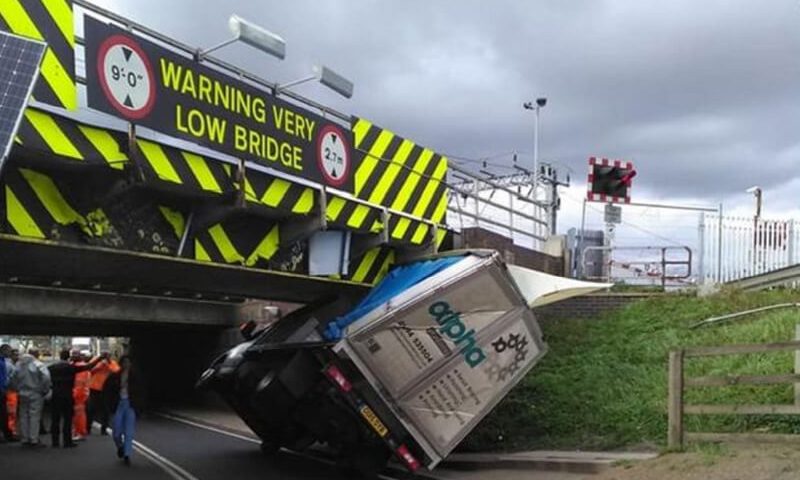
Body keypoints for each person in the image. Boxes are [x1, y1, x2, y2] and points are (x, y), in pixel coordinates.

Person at [48, 349, 102, 448]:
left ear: (60, 356)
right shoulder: (71, 368)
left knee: (55, 419)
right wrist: (100, 358)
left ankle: (55, 442)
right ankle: (67, 441)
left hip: (56, 395)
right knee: (68, 419)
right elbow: (88, 367)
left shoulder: (51, 368)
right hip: (68, 395)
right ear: (68, 356)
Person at [104, 355, 145, 466]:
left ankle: (127, 454)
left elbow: (141, 393)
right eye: (124, 362)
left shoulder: (136, 377)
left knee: (129, 431)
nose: (126, 365)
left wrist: (139, 407)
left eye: (128, 362)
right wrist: (109, 405)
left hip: (130, 405)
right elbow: (107, 390)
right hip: (119, 404)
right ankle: (120, 447)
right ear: (121, 364)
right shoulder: (115, 376)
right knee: (116, 432)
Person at [12, 349, 51, 447]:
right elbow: (46, 378)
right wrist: (44, 390)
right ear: (36, 354)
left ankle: (25, 439)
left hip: (22, 393)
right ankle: (34, 439)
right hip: (36, 393)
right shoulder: (38, 364)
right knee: (34, 416)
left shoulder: (18, 365)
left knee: (23, 416)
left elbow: (12, 378)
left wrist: (16, 389)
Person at [88, 351, 119, 435]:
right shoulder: (96, 361)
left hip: (106, 389)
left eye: (108, 355)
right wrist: (100, 363)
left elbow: (116, 371)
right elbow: (90, 370)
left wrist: (107, 364)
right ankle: (88, 428)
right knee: (91, 409)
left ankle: (104, 429)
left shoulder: (112, 363)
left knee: (105, 410)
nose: (106, 357)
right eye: (104, 355)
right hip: (94, 388)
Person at [71, 352, 91, 441]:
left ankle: (80, 432)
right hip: (80, 393)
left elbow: (79, 383)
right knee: (77, 415)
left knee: (79, 415)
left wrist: (74, 394)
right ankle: (77, 431)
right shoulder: (79, 366)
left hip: (79, 394)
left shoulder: (80, 367)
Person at [0, 344, 17, 443]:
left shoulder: (3, 361)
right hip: (1, 390)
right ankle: (7, 435)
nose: (10, 353)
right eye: (9, 351)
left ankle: (7, 434)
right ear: (4, 350)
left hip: (3, 389)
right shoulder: (2, 362)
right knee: (3, 414)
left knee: (4, 414)